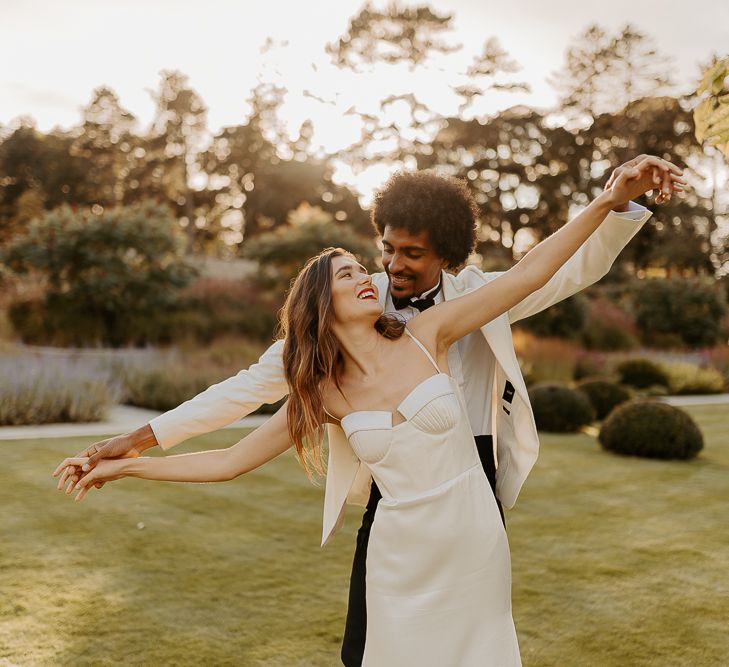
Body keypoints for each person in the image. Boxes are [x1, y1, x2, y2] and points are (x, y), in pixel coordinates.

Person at [54, 156, 684, 665]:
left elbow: (546, 270)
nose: (386, 270)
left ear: (446, 253)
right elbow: (237, 426)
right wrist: (132, 449)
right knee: (371, 647)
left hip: (471, 493)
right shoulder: (332, 365)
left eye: (408, 255)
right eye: (379, 254)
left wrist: (610, 201)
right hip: (392, 507)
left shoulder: (444, 317)